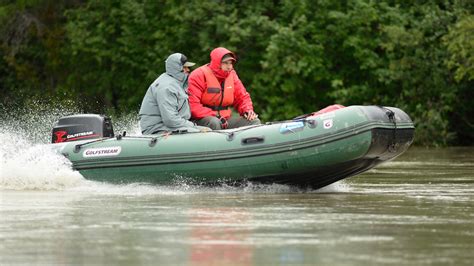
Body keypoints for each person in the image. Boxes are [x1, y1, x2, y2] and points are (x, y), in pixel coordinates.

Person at [188, 47, 260, 130]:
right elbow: (193, 106)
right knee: (214, 122)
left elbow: (242, 96)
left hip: (225, 119)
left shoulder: (232, 74)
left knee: (254, 121)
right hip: (202, 119)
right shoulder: (198, 75)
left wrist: (247, 110)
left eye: (231, 63)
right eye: (225, 63)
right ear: (216, 63)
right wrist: (216, 116)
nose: (229, 67)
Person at [139, 53, 210, 134]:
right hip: (157, 128)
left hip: (169, 126)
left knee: (207, 130)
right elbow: (170, 120)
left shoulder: (177, 83)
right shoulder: (167, 87)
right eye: (185, 67)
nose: (188, 70)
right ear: (177, 68)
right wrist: (193, 126)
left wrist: (193, 126)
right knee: (200, 133)